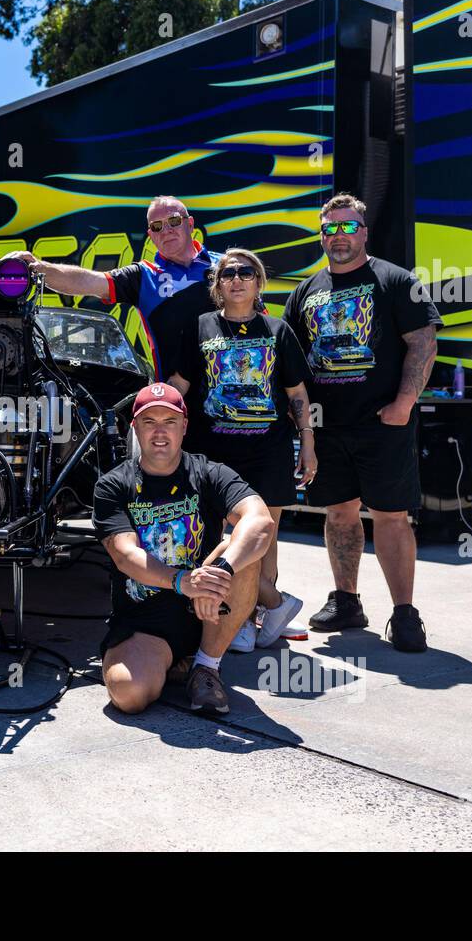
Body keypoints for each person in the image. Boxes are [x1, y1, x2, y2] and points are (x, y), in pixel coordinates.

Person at [281, 193, 441, 652]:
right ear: (322, 234)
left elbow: (423, 342)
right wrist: (302, 424)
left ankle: (405, 614)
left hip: (382, 424)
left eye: (348, 227)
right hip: (328, 428)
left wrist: (404, 403)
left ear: (364, 232)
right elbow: (290, 363)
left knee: (391, 516)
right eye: (330, 228)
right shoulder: (306, 291)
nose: (339, 236)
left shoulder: (396, 280)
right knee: (339, 512)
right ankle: (347, 601)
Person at [93, 382, 274, 715]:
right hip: (146, 620)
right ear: (134, 428)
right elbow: (124, 554)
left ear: (185, 427)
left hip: (210, 610)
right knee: (129, 694)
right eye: (150, 422)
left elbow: (260, 521)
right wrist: (182, 582)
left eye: (170, 422)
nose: (160, 432)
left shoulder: (209, 472)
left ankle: (206, 665)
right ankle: (176, 664)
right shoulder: (113, 485)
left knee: (244, 546)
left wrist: (220, 573)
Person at [169, 247, 316, 651]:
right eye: (228, 273)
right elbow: (180, 386)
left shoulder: (277, 330)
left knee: (263, 536)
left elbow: (297, 393)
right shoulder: (200, 327)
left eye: (245, 272)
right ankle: (264, 606)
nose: (236, 279)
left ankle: (257, 615)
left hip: (267, 449)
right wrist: (157, 421)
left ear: (258, 282)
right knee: (217, 534)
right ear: (217, 285)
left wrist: (308, 441)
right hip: (212, 451)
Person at [6, 195, 219, 381]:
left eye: (174, 221)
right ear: (151, 234)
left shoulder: (228, 268)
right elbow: (87, 281)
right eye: (157, 226)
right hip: (177, 402)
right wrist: (40, 267)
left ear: (190, 224)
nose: (166, 230)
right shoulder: (144, 276)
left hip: (234, 394)